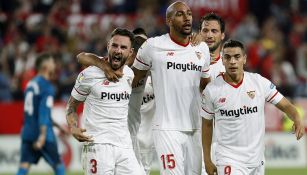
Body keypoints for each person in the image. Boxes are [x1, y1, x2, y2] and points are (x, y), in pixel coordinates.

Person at [201, 39, 305, 175]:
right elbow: (207, 125)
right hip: (229, 160)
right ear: (223, 60)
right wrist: (207, 160)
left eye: (237, 57)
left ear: (244, 59)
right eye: (227, 57)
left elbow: (286, 105)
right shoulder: (212, 90)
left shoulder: (259, 82)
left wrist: (297, 118)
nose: (232, 61)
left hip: (257, 161)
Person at [132, 1, 211, 174]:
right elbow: (133, 80)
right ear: (168, 20)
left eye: (189, 14)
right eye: (180, 14)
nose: (187, 18)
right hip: (167, 128)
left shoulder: (202, 49)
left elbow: (206, 86)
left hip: (195, 127)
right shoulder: (152, 46)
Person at [76, 27, 156, 175]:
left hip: (135, 137)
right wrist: (104, 66)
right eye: (137, 43)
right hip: (106, 138)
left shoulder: (147, 73)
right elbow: (81, 57)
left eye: (142, 45)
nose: (139, 48)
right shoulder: (111, 65)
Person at [16, 53, 65, 175]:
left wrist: (58, 126)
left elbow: (37, 111)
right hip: (43, 133)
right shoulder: (47, 86)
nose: (54, 65)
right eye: (52, 62)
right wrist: (42, 136)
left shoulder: (30, 84)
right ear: (45, 67)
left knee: (24, 166)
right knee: (59, 166)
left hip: (27, 132)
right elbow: (43, 112)